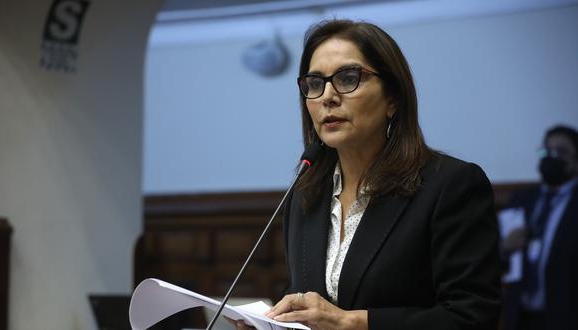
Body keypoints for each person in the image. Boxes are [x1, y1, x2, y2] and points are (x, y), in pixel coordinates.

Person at [235, 19, 502, 330]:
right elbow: (308, 300)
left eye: (348, 78)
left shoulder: (450, 185)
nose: (328, 97)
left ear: (393, 98)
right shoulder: (305, 193)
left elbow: (472, 317)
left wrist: (353, 322)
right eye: (315, 83)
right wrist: (272, 324)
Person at [501, 125, 578, 330]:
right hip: (520, 317)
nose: (550, 157)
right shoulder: (520, 200)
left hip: (566, 319)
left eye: (560, 152)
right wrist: (505, 247)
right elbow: (490, 261)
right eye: (546, 150)